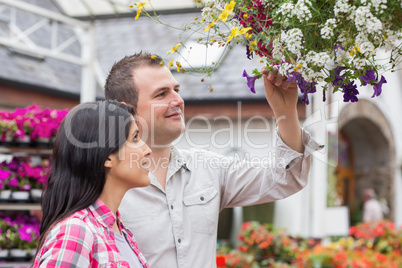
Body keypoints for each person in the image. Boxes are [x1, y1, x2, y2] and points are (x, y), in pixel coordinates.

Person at [104, 52, 323, 267]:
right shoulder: (103, 186)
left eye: (176, 90)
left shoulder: (207, 168)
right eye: (162, 94)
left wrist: (285, 112)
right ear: (127, 111)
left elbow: (285, 178)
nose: (178, 100)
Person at [33, 100, 151, 267]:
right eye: (135, 138)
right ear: (108, 156)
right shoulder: (77, 231)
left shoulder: (117, 230)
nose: (147, 149)